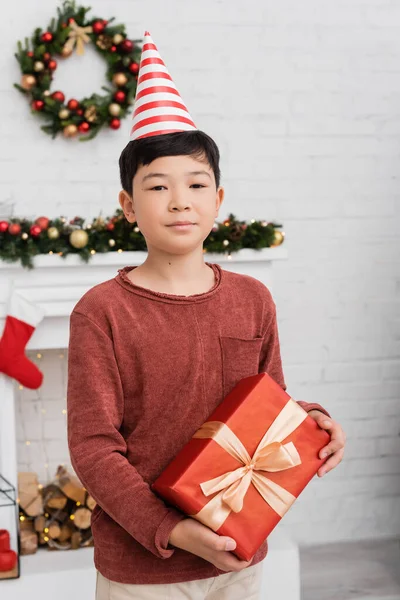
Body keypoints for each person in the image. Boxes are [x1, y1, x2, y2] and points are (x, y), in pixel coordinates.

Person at [67, 32, 346, 600]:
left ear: (219, 201)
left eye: (197, 185)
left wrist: (314, 421)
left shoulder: (252, 299)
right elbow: (94, 447)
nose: (179, 201)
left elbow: (269, 405)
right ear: (127, 206)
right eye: (158, 186)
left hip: (237, 552)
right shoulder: (102, 312)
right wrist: (170, 528)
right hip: (140, 569)